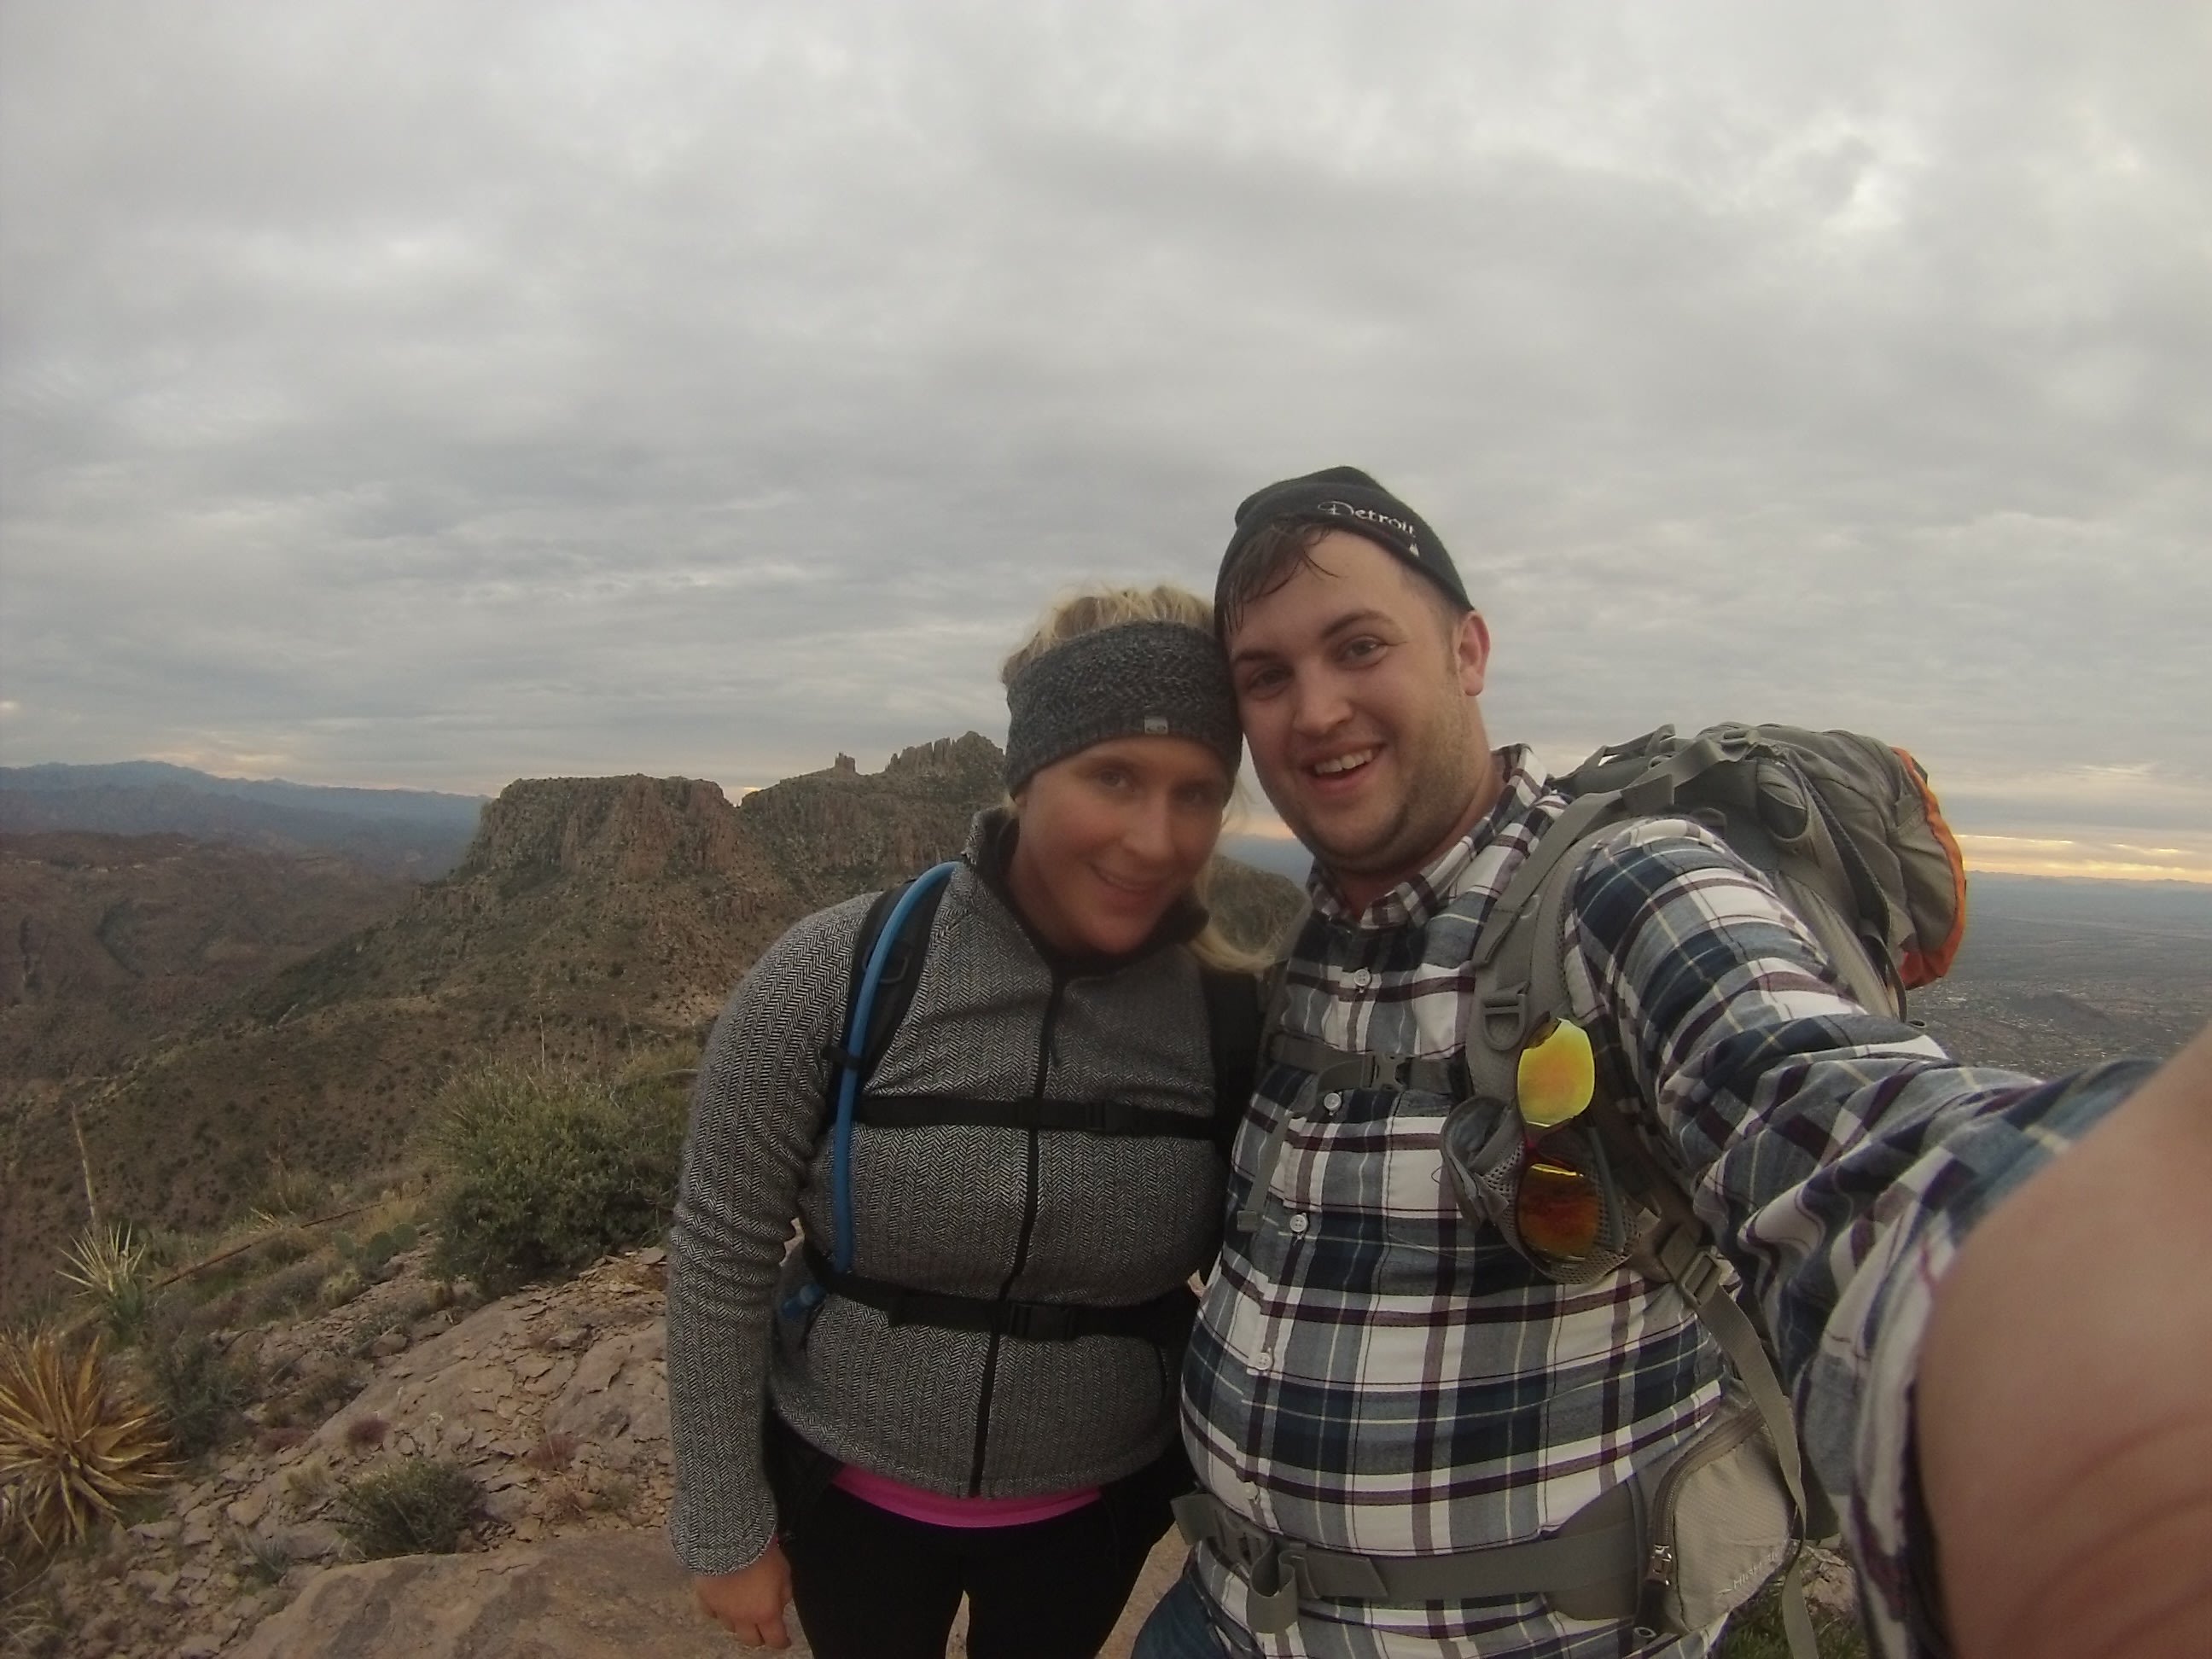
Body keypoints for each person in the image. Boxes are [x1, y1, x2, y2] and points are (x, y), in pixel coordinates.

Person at [1132, 467, 2204, 1659]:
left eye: (1359, 646)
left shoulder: (1624, 886)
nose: (1317, 709)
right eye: (1267, 677)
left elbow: (1830, 1121)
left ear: (1468, 651)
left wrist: (2048, 1288)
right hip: (1221, 1621)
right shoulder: (1309, 945)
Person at [667, 585, 1260, 1659]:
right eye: (1113, 777)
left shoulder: (1225, 1021)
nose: (1154, 838)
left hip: (1092, 1516)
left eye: (1198, 793)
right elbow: (721, 1247)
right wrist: (723, 1527)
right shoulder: (839, 972)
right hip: (847, 1499)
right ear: (1029, 773)